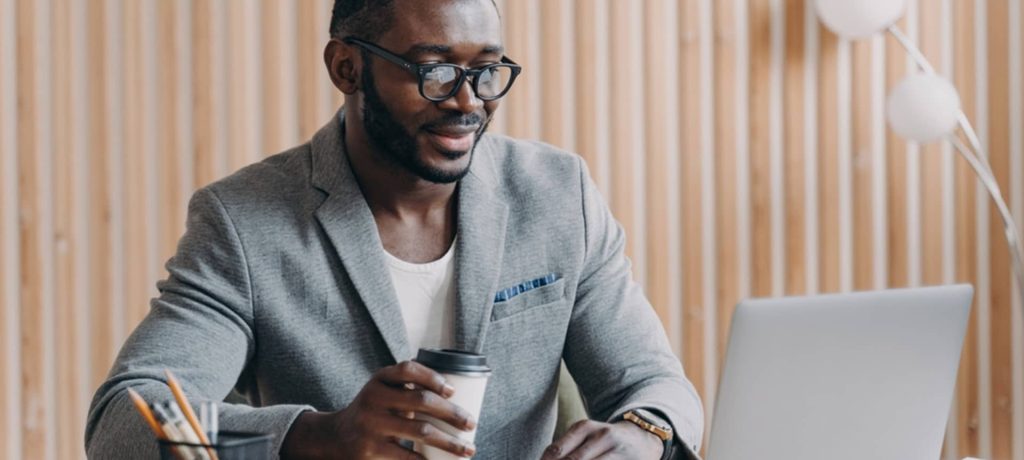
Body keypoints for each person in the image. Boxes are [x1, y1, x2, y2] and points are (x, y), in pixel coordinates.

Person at [84, 0, 704, 458]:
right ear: (347, 68)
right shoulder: (245, 222)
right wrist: (319, 435)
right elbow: (127, 420)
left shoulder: (556, 195)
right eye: (433, 70)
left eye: (487, 71)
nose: (468, 102)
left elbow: (653, 383)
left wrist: (640, 434)